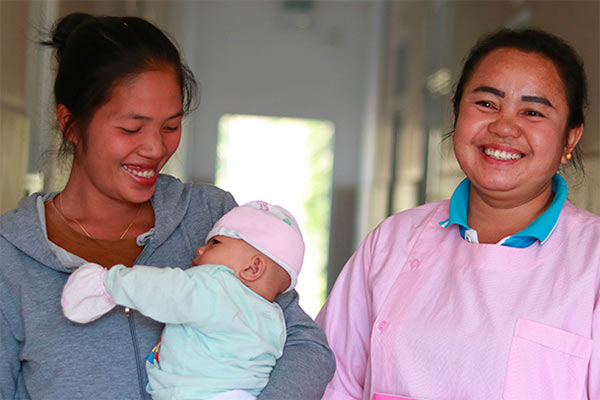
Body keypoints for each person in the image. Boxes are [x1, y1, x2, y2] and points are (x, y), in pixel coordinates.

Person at [0, 12, 334, 400]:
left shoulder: (214, 221)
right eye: (131, 128)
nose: (156, 148)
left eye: (170, 126)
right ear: (70, 124)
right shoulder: (11, 260)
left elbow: (307, 348)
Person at [316, 28, 599, 400]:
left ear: (569, 139)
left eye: (532, 111)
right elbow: (331, 381)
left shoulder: (591, 261)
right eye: (486, 103)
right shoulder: (392, 241)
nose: (503, 127)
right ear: (457, 114)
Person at [61, 201, 304, 400]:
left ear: (253, 268)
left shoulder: (215, 286)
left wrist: (109, 282)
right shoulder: (275, 320)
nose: (199, 250)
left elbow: (163, 289)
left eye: (215, 243)